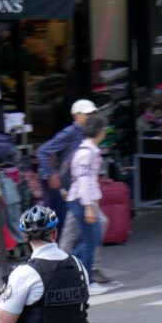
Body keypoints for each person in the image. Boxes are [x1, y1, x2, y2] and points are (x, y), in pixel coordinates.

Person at [37, 99, 112, 284]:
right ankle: (65, 269)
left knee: (87, 229)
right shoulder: (70, 132)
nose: (90, 117)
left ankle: (82, 266)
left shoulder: (88, 134)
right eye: (87, 114)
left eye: (92, 114)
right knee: (78, 232)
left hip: (80, 191)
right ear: (76, 116)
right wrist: (50, 174)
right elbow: (43, 151)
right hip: (75, 190)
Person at [64, 113, 112, 297]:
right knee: (90, 241)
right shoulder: (87, 153)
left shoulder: (88, 151)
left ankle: (74, 271)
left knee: (90, 240)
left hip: (82, 200)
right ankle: (87, 281)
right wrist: (89, 207)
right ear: (100, 131)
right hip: (82, 201)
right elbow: (84, 181)